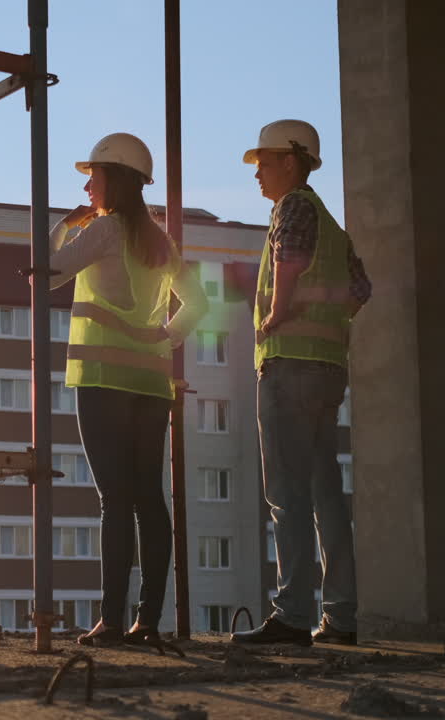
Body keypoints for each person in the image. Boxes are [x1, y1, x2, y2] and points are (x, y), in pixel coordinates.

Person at [46, 133, 207, 646]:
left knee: (114, 501)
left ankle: (111, 622)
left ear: (113, 178)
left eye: (92, 174)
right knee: (148, 501)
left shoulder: (105, 231)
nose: (86, 183)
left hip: (102, 383)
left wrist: (61, 227)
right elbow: (199, 303)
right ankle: (148, 622)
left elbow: (45, 276)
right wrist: (168, 335)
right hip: (151, 384)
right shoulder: (161, 241)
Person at [232, 119, 371, 647]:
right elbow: (361, 288)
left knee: (287, 492)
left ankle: (291, 615)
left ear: (291, 161)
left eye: (264, 163)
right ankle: (340, 618)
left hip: (288, 365)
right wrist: (326, 320)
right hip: (327, 369)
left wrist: (277, 313)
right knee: (326, 495)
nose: (258, 175)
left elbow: (288, 262)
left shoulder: (291, 208)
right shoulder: (332, 226)